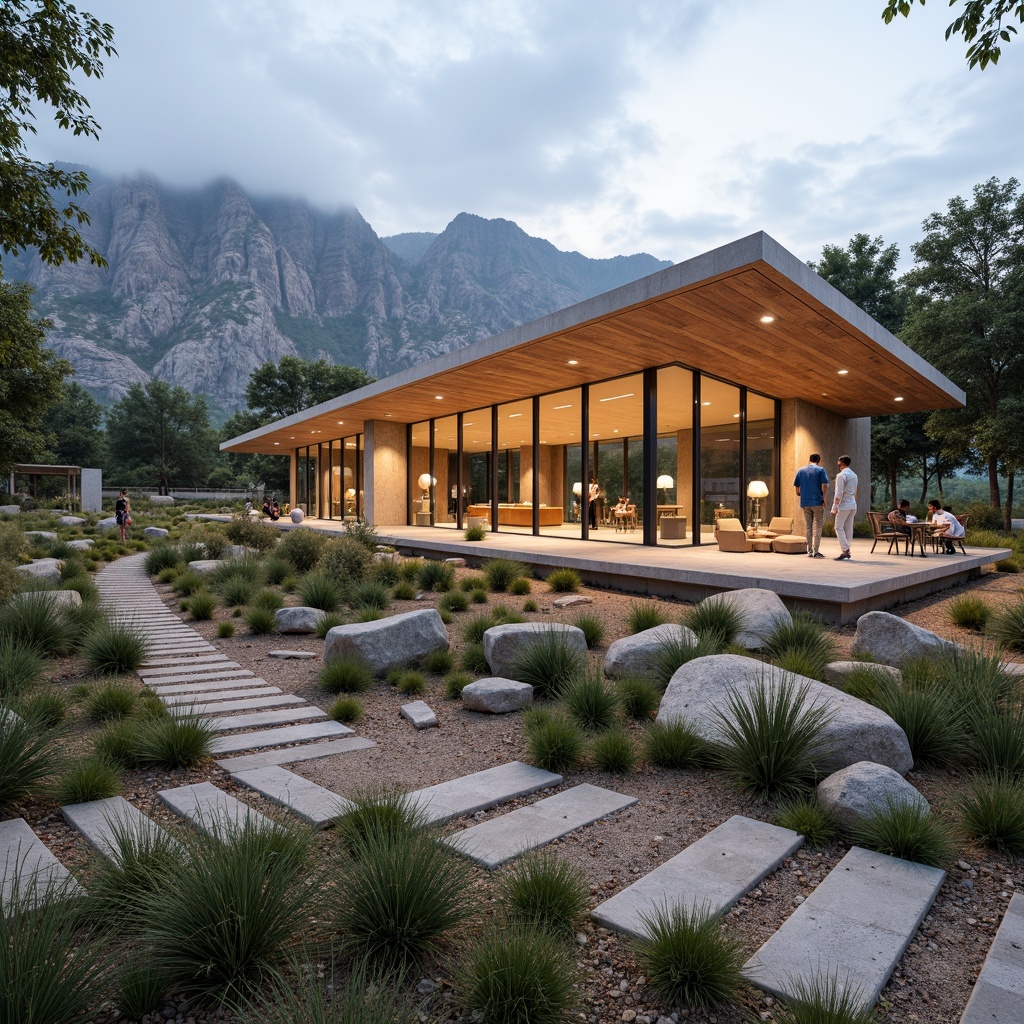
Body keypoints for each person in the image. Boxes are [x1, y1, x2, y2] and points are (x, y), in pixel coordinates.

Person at [793, 453, 829, 558]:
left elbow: (797, 487)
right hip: (817, 501)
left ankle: (809, 550)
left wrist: (801, 494)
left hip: (805, 502)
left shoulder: (801, 471)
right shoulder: (820, 470)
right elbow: (824, 485)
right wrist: (824, 499)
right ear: (818, 460)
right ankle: (816, 551)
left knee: (808, 526)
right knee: (818, 526)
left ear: (809, 460)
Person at [830, 455, 858, 560]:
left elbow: (839, 493)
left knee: (838, 527)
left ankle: (845, 550)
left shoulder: (841, 475)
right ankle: (847, 548)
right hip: (852, 504)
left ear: (841, 462)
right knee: (848, 528)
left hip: (844, 505)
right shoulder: (854, 475)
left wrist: (834, 508)